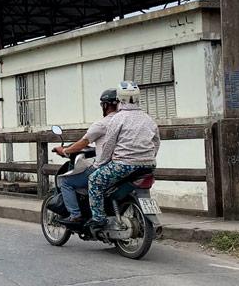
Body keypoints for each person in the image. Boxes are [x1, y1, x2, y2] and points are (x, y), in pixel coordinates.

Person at [86, 81, 160, 229]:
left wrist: (99, 164)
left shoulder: (118, 119)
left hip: (123, 165)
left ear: (120, 98)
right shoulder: (148, 119)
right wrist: (149, 157)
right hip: (148, 165)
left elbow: (109, 145)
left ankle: (99, 218)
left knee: (94, 180)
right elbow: (156, 142)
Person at [51, 89, 120, 225]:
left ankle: (75, 215)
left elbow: (83, 142)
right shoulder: (125, 122)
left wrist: (65, 151)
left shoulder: (102, 124)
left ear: (105, 105)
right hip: (125, 165)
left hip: (107, 167)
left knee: (66, 181)